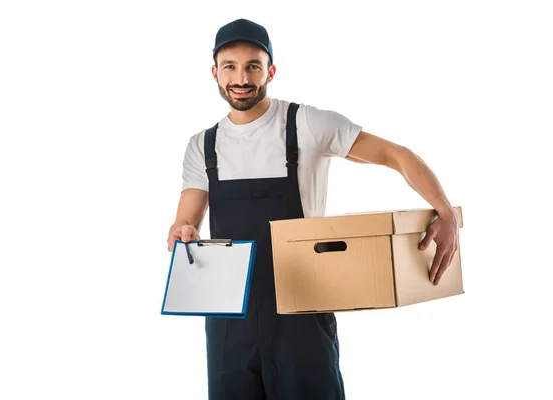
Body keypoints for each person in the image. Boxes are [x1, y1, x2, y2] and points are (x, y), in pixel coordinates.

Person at [166, 18, 459, 400]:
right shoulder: (202, 144)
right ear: (215, 73)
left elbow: (395, 155)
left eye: (253, 66)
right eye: (230, 67)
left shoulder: (305, 124)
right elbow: (186, 219)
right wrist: (182, 231)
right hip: (227, 316)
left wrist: (445, 211)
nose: (241, 77)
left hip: (301, 307)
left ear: (270, 70)